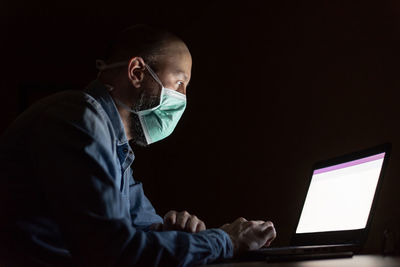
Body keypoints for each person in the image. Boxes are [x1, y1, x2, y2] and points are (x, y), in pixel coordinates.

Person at [0, 25, 276, 266]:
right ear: (137, 72)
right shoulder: (78, 121)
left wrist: (174, 232)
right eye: (179, 82)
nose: (183, 98)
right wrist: (226, 240)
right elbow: (117, 253)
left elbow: (140, 228)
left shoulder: (115, 144)